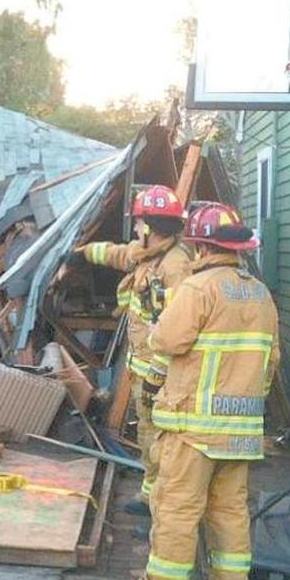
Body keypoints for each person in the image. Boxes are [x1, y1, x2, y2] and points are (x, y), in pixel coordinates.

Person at [116, 202, 279, 580]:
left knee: (177, 505)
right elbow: (270, 361)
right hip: (240, 430)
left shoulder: (198, 288)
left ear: (202, 248)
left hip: (194, 427)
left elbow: (168, 341)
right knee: (228, 507)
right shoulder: (261, 294)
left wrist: (152, 334)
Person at [70, 184, 192, 516]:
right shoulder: (149, 254)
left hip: (163, 375)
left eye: (139, 223)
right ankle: (151, 497)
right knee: (148, 436)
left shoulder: (176, 267)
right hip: (145, 369)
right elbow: (118, 254)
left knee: (164, 444)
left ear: (150, 227)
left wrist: (157, 374)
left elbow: (179, 329)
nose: (135, 229)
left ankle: (163, 510)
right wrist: (81, 252)